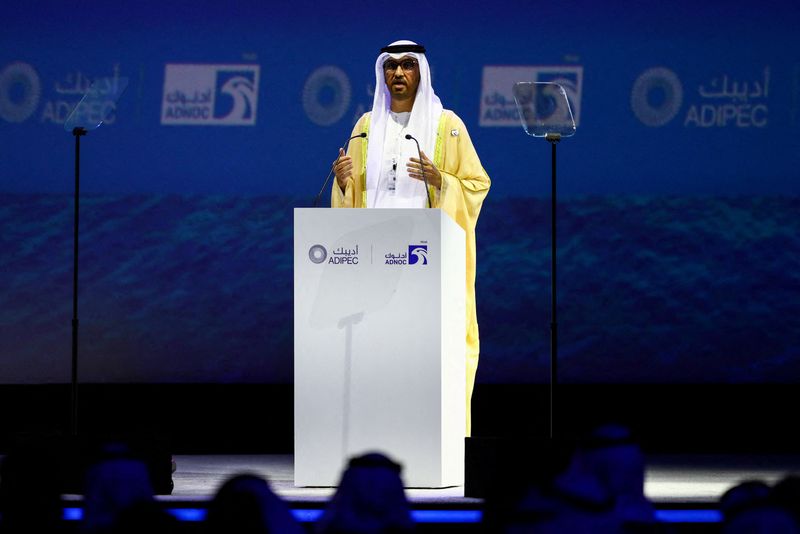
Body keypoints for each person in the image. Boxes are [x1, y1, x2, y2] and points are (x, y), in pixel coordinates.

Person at [331, 39, 490, 436]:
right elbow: (353, 199)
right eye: (391, 66)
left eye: (407, 66)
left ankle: (431, 438)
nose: (398, 74)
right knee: (378, 354)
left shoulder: (448, 126)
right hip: (373, 262)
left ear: (421, 72)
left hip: (424, 262)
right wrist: (343, 181)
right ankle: (375, 435)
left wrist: (444, 182)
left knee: (425, 356)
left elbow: (477, 185)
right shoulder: (365, 127)